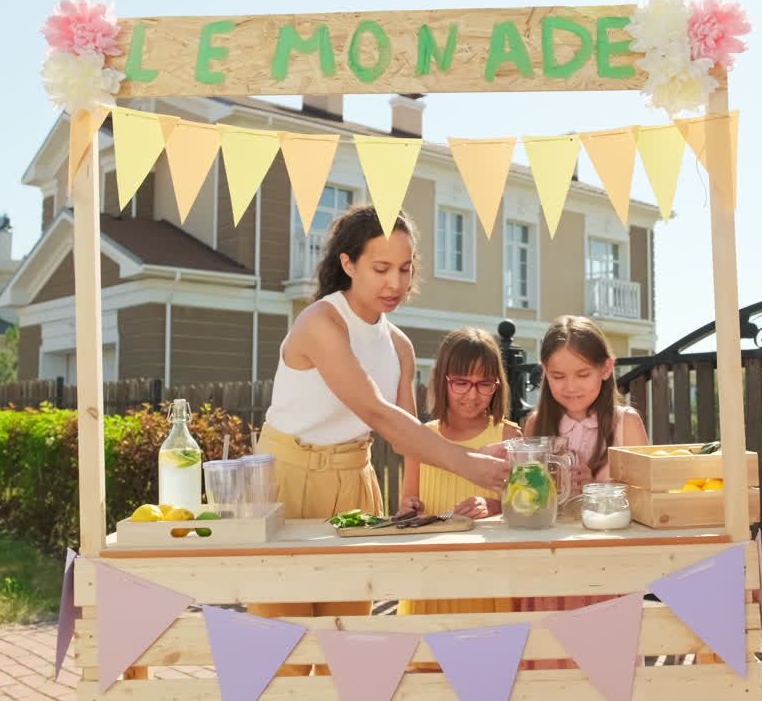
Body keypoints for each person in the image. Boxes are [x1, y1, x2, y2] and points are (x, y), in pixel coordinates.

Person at [245, 205, 509, 676]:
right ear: (348, 264)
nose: (395, 283)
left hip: (356, 485)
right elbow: (374, 411)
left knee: (345, 644)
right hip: (286, 482)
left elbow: (410, 435)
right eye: (381, 268)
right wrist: (467, 464)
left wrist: (473, 459)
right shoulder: (320, 322)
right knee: (280, 648)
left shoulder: (400, 345)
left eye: (405, 270)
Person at [516, 314, 648, 670]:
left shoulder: (625, 423)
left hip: (605, 573)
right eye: (558, 376)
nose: (570, 386)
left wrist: (595, 490)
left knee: (602, 671)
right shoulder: (534, 424)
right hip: (547, 571)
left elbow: (644, 504)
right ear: (544, 371)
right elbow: (525, 503)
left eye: (582, 374)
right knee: (546, 666)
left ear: (606, 369)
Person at [397, 328, 521, 630]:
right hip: (432, 578)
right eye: (461, 383)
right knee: (429, 666)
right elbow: (406, 505)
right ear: (441, 378)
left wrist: (495, 505)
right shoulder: (422, 439)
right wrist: (410, 508)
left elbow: (526, 507)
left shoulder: (509, 436)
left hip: (490, 579)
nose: (472, 394)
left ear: (497, 385)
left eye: (484, 384)